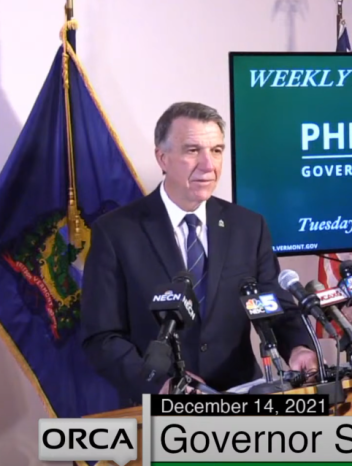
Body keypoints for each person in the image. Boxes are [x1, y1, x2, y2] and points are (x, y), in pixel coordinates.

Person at [81, 102, 318, 403]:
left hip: (242, 399)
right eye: (193, 151)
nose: (209, 165)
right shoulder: (115, 232)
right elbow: (102, 337)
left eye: (217, 150)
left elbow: (276, 305)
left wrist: (298, 347)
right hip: (161, 407)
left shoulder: (248, 226)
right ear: (162, 157)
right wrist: (162, 384)